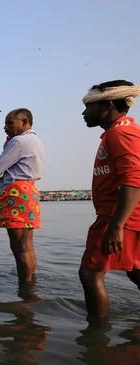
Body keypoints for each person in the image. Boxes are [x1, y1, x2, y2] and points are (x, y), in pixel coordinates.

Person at [78, 80, 140, 318]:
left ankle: (97, 335)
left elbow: (133, 179)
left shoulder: (122, 133)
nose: (84, 113)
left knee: (90, 273)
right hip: (127, 217)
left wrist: (116, 226)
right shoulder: (119, 132)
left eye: (89, 107)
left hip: (118, 217)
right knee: (135, 271)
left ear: (107, 106)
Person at [0, 108, 44, 282]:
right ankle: (31, 284)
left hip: (16, 193)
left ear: (25, 122)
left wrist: (5, 148)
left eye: (10, 123)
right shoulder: (36, 140)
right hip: (30, 192)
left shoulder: (18, 142)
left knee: (19, 248)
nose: (5, 127)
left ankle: (25, 289)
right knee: (27, 246)